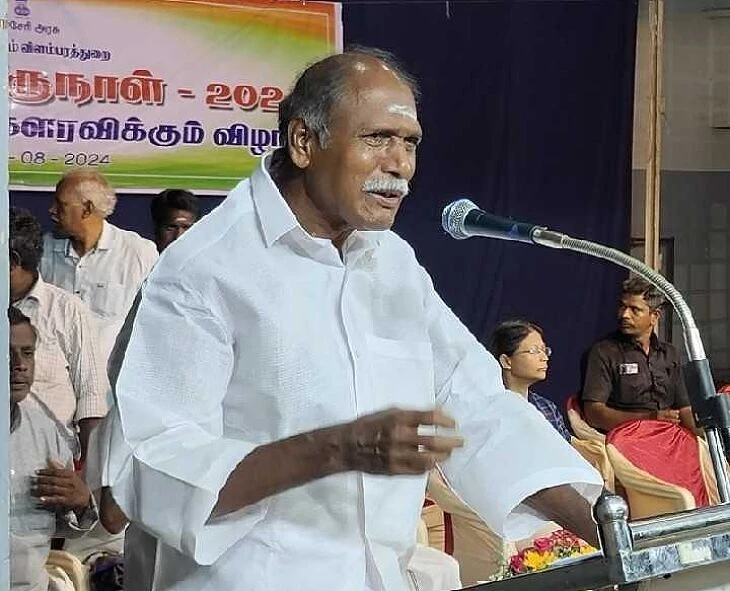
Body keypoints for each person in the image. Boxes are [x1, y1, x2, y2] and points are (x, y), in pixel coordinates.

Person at [106, 47, 603, 590]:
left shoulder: (391, 262)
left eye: (410, 143)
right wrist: (333, 448)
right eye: (377, 138)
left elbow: (476, 405)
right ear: (303, 142)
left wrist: (608, 527)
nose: (400, 165)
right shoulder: (203, 268)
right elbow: (153, 465)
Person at [10, 207, 109, 461]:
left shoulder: (67, 311)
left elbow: (92, 397)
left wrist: (89, 475)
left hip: (52, 468)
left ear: (12, 261)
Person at [9, 307, 98, 591]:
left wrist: (80, 502)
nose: (19, 365)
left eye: (27, 353)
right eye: (6, 352)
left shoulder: (46, 431)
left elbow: (55, 524)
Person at [40, 170, 158, 358]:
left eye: (61, 205)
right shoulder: (42, 250)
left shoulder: (138, 253)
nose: (52, 210)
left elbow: (154, 321)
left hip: (109, 374)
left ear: (87, 209)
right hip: (55, 372)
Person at [581, 276, 696, 433]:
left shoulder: (669, 354)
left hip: (669, 436)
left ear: (654, 317)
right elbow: (593, 414)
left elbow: (684, 409)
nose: (624, 315)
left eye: (634, 310)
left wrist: (708, 438)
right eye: (622, 307)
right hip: (624, 437)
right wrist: (648, 419)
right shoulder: (603, 352)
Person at [490, 320, 572, 441]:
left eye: (544, 350)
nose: (544, 358)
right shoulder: (489, 409)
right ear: (506, 361)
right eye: (534, 351)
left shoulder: (547, 407)